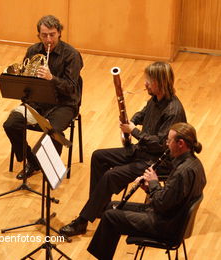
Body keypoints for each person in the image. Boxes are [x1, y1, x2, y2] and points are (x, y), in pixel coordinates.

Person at [60, 61, 187, 236]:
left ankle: (82, 221)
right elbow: (142, 114)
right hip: (142, 152)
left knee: (111, 175)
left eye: (149, 81)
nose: (145, 84)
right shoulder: (155, 99)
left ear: (160, 82)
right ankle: (99, 208)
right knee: (98, 156)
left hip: (157, 162)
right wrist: (131, 120)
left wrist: (133, 131)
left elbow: (160, 144)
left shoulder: (173, 110)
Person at [87, 122, 206, 260]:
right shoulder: (195, 164)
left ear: (180, 143)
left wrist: (153, 182)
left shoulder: (182, 172)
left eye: (169, 141)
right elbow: (171, 198)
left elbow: (162, 205)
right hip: (171, 217)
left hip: (165, 225)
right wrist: (149, 188)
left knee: (110, 217)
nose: (166, 144)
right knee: (110, 206)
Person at [3, 15, 83, 179]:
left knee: (53, 131)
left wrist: (51, 78)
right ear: (38, 35)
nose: (48, 39)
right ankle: (33, 162)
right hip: (37, 103)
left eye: (52, 34)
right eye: (44, 35)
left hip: (64, 105)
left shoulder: (71, 55)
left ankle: (50, 167)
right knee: (11, 124)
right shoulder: (33, 51)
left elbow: (71, 88)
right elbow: (25, 82)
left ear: (59, 33)